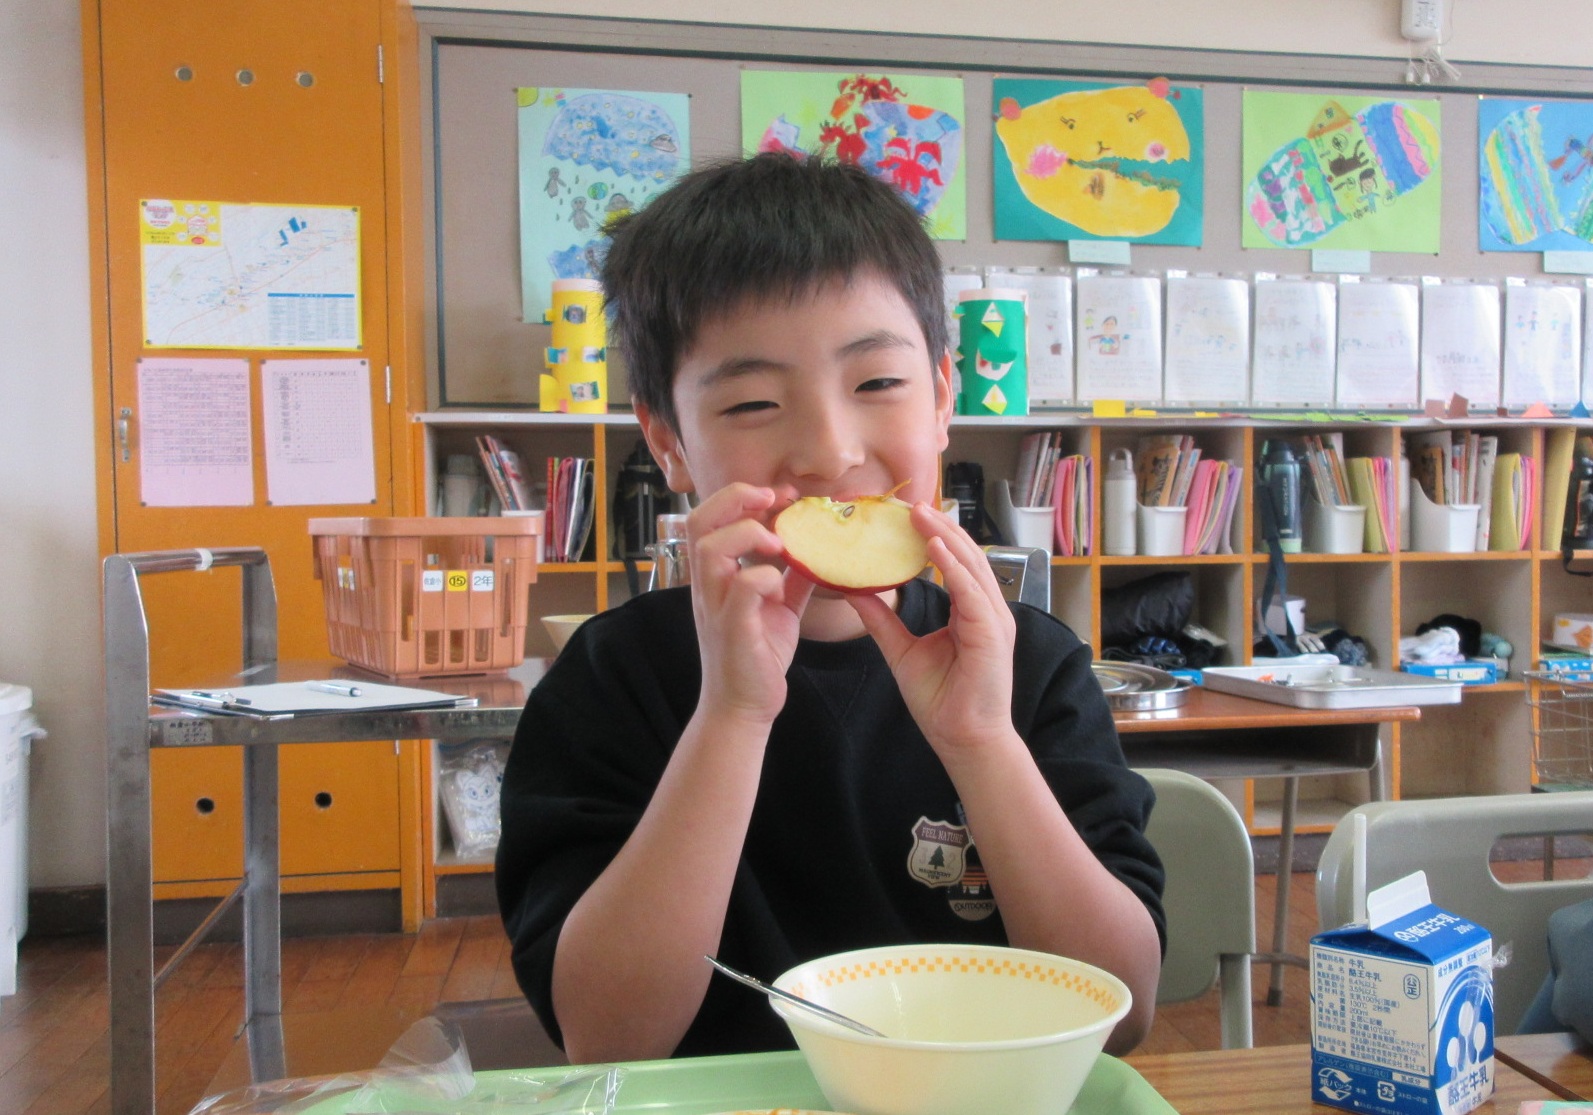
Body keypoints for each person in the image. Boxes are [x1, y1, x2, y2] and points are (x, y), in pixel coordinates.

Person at [496, 153, 1165, 1065]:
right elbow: (604, 1034)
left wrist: (981, 742)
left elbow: (1120, 1013)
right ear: (668, 443)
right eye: (755, 401)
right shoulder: (614, 678)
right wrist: (732, 716)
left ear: (940, 399)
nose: (827, 450)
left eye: (877, 384)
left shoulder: (1028, 664)